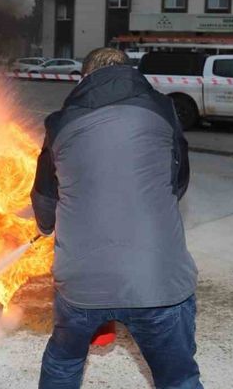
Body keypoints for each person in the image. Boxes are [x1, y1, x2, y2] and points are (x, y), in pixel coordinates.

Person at [32, 47, 201, 389]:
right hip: (156, 281)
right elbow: (178, 182)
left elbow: (45, 197)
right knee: (178, 377)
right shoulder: (163, 109)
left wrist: (47, 227)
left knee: (64, 361)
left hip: (81, 283)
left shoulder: (59, 123)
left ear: (85, 77)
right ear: (130, 72)